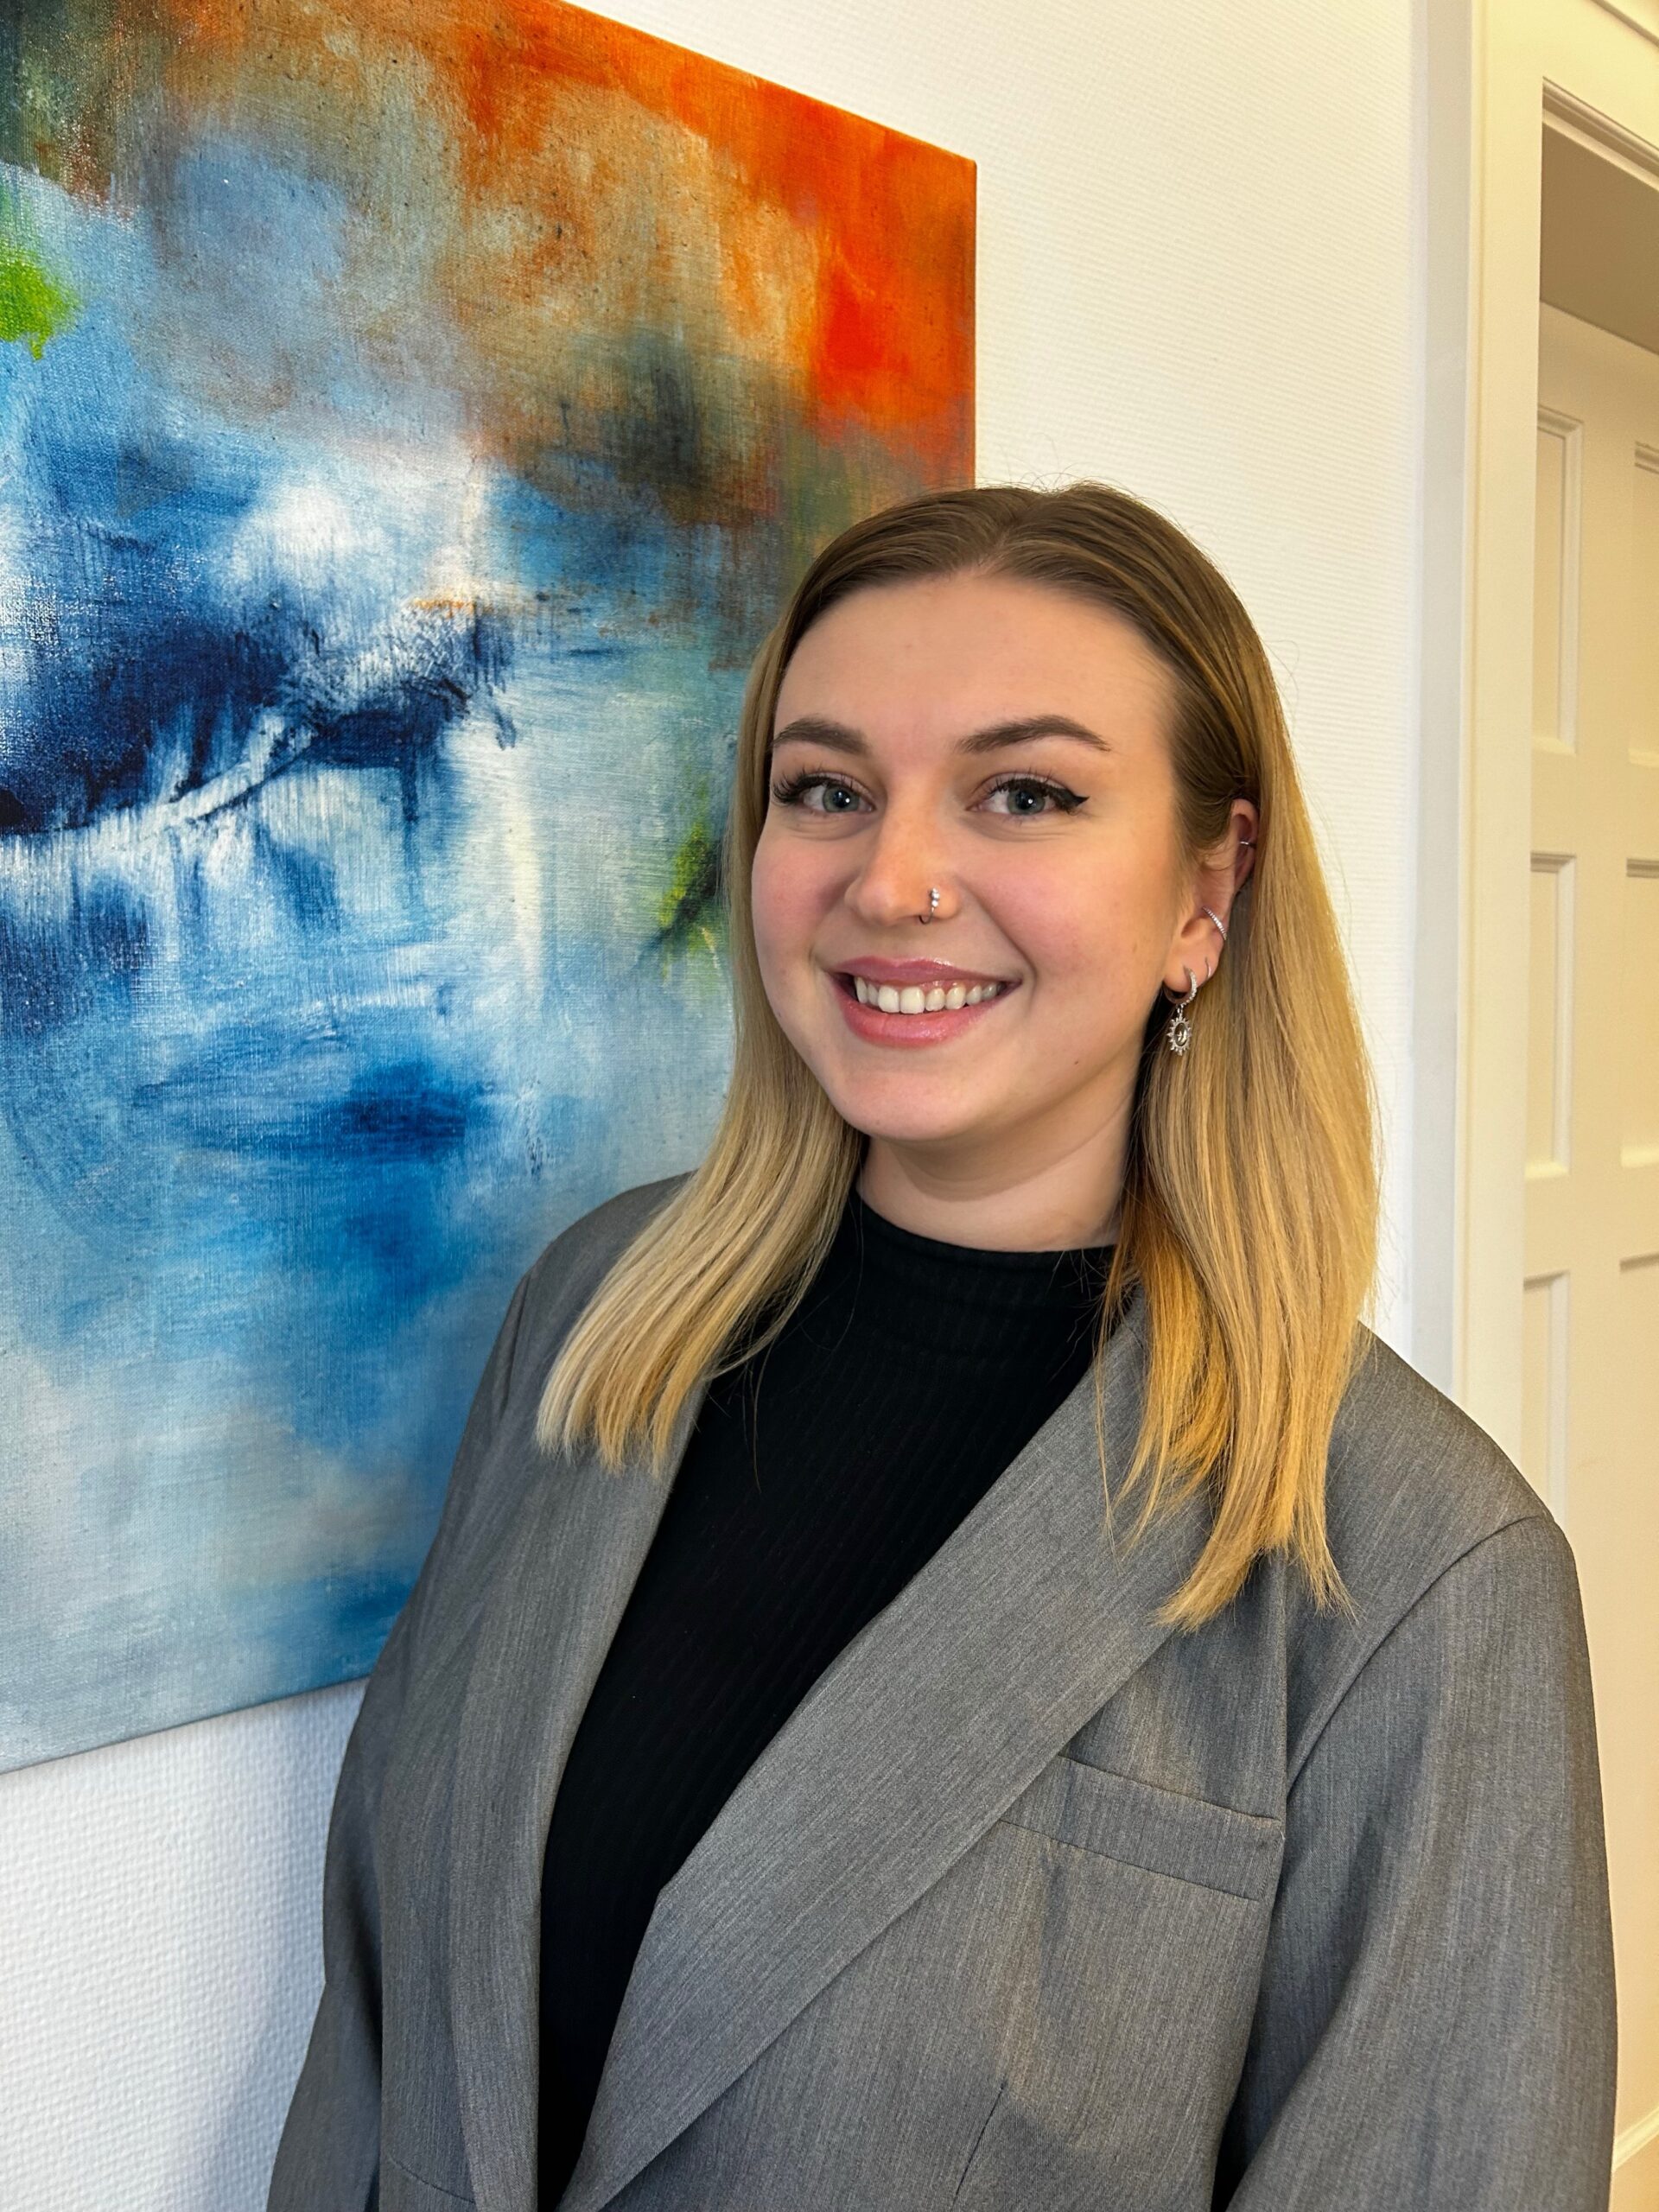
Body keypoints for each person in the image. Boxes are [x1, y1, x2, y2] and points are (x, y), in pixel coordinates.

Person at [268, 483, 1617, 2212]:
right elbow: (378, 2039)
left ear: (1208, 888)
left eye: (1025, 793)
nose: (891, 881)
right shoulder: (593, 1314)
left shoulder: (1421, 1563)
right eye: (826, 790)